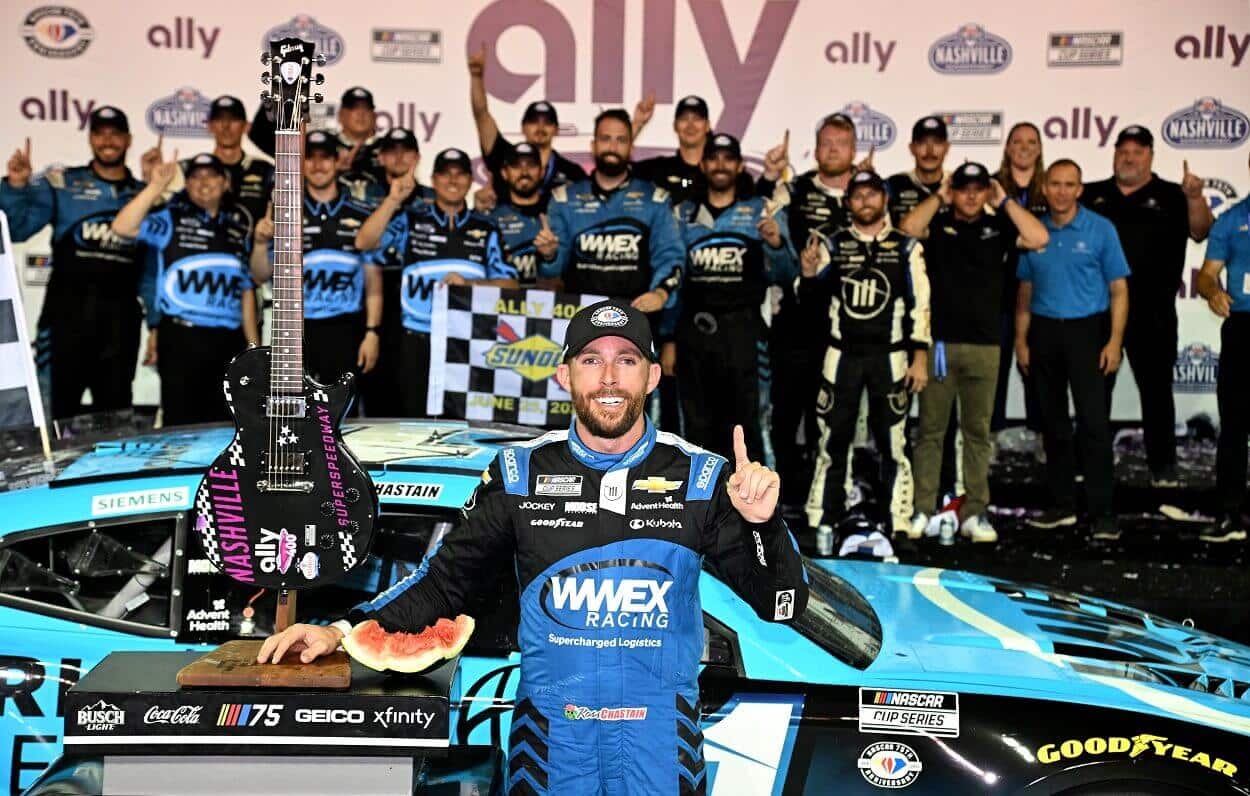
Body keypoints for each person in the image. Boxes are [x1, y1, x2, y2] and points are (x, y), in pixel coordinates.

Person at [257, 299, 808, 795]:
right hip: (551, 743)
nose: (609, 377)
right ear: (565, 375)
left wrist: (763, 524)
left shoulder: (702, 477)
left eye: (627, 360)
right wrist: (342, 629)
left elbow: (780, 603)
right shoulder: (519, 473)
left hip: (661, 744)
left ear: (654, 375)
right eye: (592, 360)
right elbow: (446, 581)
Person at [899, 162, 1050, 542]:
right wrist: (939, 195)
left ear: (987, 191)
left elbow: (1039, 237)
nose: (970, 195)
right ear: (954, 190)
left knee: (978, 433)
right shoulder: (939, 226)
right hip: (940, 346)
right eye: (963, 188)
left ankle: (975, 513)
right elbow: (907, 230)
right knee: (931, 432)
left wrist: (1004, 202)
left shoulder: (998, 227)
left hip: (985, 346)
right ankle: (923, 509)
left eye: (978, 188)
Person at [1081, 125, 1214, 487]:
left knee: (1156, 392)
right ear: (1114, 154)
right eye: (1123, 150)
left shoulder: (1173, 195)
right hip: (1098, 309)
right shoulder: (1091, 194)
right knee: (1094, 393)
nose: (1130, 157)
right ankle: (1089, 465)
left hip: (1153, 311)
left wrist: (1195, 198)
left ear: (1151, 156)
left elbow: (1202, 231)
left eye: (1138, 151)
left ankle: (1163, 467)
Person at [800, 169, 930, 537]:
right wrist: (808, 275)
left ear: (885, 199)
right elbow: (809, 304)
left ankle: (899, 522)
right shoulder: (832, 244)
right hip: (841, 356)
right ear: (848, 202)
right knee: (831, 439)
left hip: (890, 357)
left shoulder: (907, 246)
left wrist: (920, 355)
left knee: (894, 441)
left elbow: (921, 305)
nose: (865, 202)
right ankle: (822, 518)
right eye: (858, 196)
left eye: (873, 195)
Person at [538, 108, 684, 430]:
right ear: (593, 145)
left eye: (620, 140)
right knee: (580, 412)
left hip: (638, 322)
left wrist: (661, 291)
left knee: (639, 417)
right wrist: (549, 254)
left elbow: (672, 257)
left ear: (630, 147)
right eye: (605, 138)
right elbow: (554, 268)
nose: (612, 146)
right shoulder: (565, 199)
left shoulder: (654, 199)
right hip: (579, 323)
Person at [1, 107, 146, 420]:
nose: (108, 140)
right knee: (56, 414)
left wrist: (158, 323)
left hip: (120, 325)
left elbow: (152, 268)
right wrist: (15, 187)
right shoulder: (64, 184)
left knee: (116, 419)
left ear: (128, 139)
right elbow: (17, 229)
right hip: (65, 319)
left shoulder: (142, 195)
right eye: (100, 133)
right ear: (91, 139)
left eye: (115, 133)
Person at [356, 148, 518, 416]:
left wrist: (470, 285)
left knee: (463, 426)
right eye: (445, 174)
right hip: (416, 342)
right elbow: (364, 243)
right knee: (414, 424)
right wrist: (394, 199)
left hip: (467, 342)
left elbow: (511, 285)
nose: (453, 181)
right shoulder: (412, 219)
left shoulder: (486, 227)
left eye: (460, 174)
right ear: (433, 179)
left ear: (469, 181)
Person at [1015, 160, 1129, 540]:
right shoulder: (1033, 231)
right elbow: (1025, 293)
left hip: (1088, 333)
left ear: (1081, 189)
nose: (1062, 191)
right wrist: (1021, 340)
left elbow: (1119, 290)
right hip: (1044, 332)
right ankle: (1061, 506)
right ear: (1044, 187)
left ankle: (1102, 513)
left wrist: (1114, 341)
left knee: (1094, 427)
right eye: (1055, 184)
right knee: (1054, 427)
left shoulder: (1101, 229)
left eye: (1070, 185)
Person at [665, 133, 796, 460]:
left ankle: (761, 509)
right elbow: (673, 281)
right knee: (696, 429)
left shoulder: (759, 210)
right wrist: (668, 337)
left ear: (739, 166)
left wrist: (777, 244)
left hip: (745, 335)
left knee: (749, 427)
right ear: (703, 164)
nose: (720, 164)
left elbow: (787, 274)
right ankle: (699, 509)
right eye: (714, 158)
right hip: (693, 336)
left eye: (728, 158)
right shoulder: (682, 215)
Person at [759, 113, 861, 509]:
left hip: (849, 326)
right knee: (786, 416)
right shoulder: (796, 189)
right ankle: (781, 501)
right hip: (796, 323)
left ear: (854, 150)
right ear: (816, 149)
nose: (833, 150)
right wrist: (770, 177)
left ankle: (830, 494)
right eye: (826, 143)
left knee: (836, 417)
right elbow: (766, 215)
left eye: (841, 143)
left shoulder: (869, 192)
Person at [112, 153, 259, 425]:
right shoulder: (170, 218)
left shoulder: (239, 229)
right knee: (181, 422)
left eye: (211, 175)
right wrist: (155, 186)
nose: (204, 183)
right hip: (182, 338)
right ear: (186, 185)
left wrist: (252, 347)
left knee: (227, 424)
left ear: (225, 182)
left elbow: (246, 290)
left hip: (229, 341)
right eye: (195, 177)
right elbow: (122, 226)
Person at [250, 131, 381, 390]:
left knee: (345, 417)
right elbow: (259, 275)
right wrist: (260, 243)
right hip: (296, 329)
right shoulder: (284, 214)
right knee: (296, 416)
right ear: (301, 163)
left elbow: (373, 281)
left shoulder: (362, 213)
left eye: (325, 158)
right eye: (310, 158)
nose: (318, 165)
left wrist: (372, 332)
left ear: (337, 162)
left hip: (347, 328)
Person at [1195, 150, 1250, 542]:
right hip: (1244, 328)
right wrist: (1212, 291)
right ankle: (1230, 514)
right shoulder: (1232, 221)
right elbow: (1207, 275)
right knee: (1234, 424)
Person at [468, 44, 586, 210]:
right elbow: (481, 115)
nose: (540, 127)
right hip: (506, 234)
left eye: (547, 122)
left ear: (556, 130)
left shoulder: (573, 173)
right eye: (533, 122)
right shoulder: (503, 155)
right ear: (523, 127)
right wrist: (476, 77)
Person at [142, 96, 274, 231]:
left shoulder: (267, 171)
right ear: (209, 126)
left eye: (233, 119)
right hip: (199, 248)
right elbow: (155, 214)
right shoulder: (186, 169)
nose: (226, 126)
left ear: (246, 126)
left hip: (253, 250)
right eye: (219, 119)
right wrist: (151, 182)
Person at [993, 122, 1047, 434]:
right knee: (995, 368)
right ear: (1008, 148)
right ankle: (992, 433)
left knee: (1037, 367)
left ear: (1039, 149)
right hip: (997, 292)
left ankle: (1041, 434)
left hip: (1040, 292)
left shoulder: (1051, 187)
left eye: (1031, 142)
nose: (1024, 147)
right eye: (1017, 141)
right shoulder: (990, 187)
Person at [632, 95, 757, 206]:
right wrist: (636, 125)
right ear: (675, 126)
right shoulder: (659, 169)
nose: (690, 125)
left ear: (707, 126)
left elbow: (754, 211)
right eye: (684, 119)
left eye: (697, 119)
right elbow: (620, 172)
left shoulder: (728, 173)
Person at [487, 142, 547, 287]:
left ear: (542, 172)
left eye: (531, 165)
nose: (524, 172)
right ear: (504, 173)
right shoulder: (491, 220)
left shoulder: (558, 213)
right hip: (503, 306)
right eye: (516, 166)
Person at [886, 116, 950, 227]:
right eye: (922, 143)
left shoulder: (958, 185)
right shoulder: (893, 185)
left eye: (937, 143)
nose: (930, 151)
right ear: (912, 148)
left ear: (947, 148)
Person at [335, 86, 384, 182]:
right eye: (354, 108)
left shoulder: (388, 148)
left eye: (366, 108)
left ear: (374, 116)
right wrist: (334, 170)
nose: (361, 113)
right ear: (341, 115)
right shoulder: (326, 146)